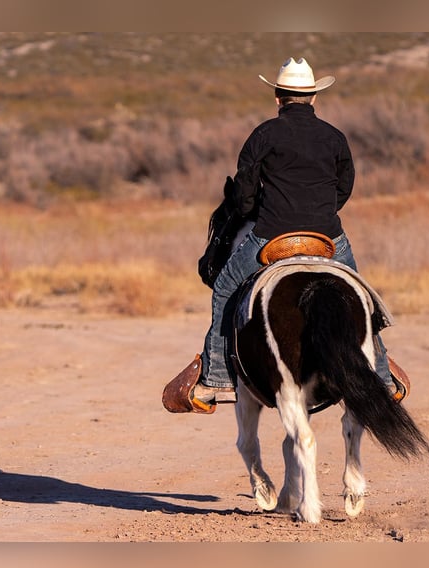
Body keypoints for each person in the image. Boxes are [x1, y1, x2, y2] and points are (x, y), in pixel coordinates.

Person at [163, 57, 408, 414]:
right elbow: (345, 188)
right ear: (313, 98)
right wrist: (321, 211)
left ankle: (217, 377)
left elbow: (244, 191)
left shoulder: (263, 134)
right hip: (327, 236)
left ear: (278, 98)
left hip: (272, 234)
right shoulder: (334, 137)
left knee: (226, 288)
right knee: (364, 300)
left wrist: (255, 211)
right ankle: (382, 377)